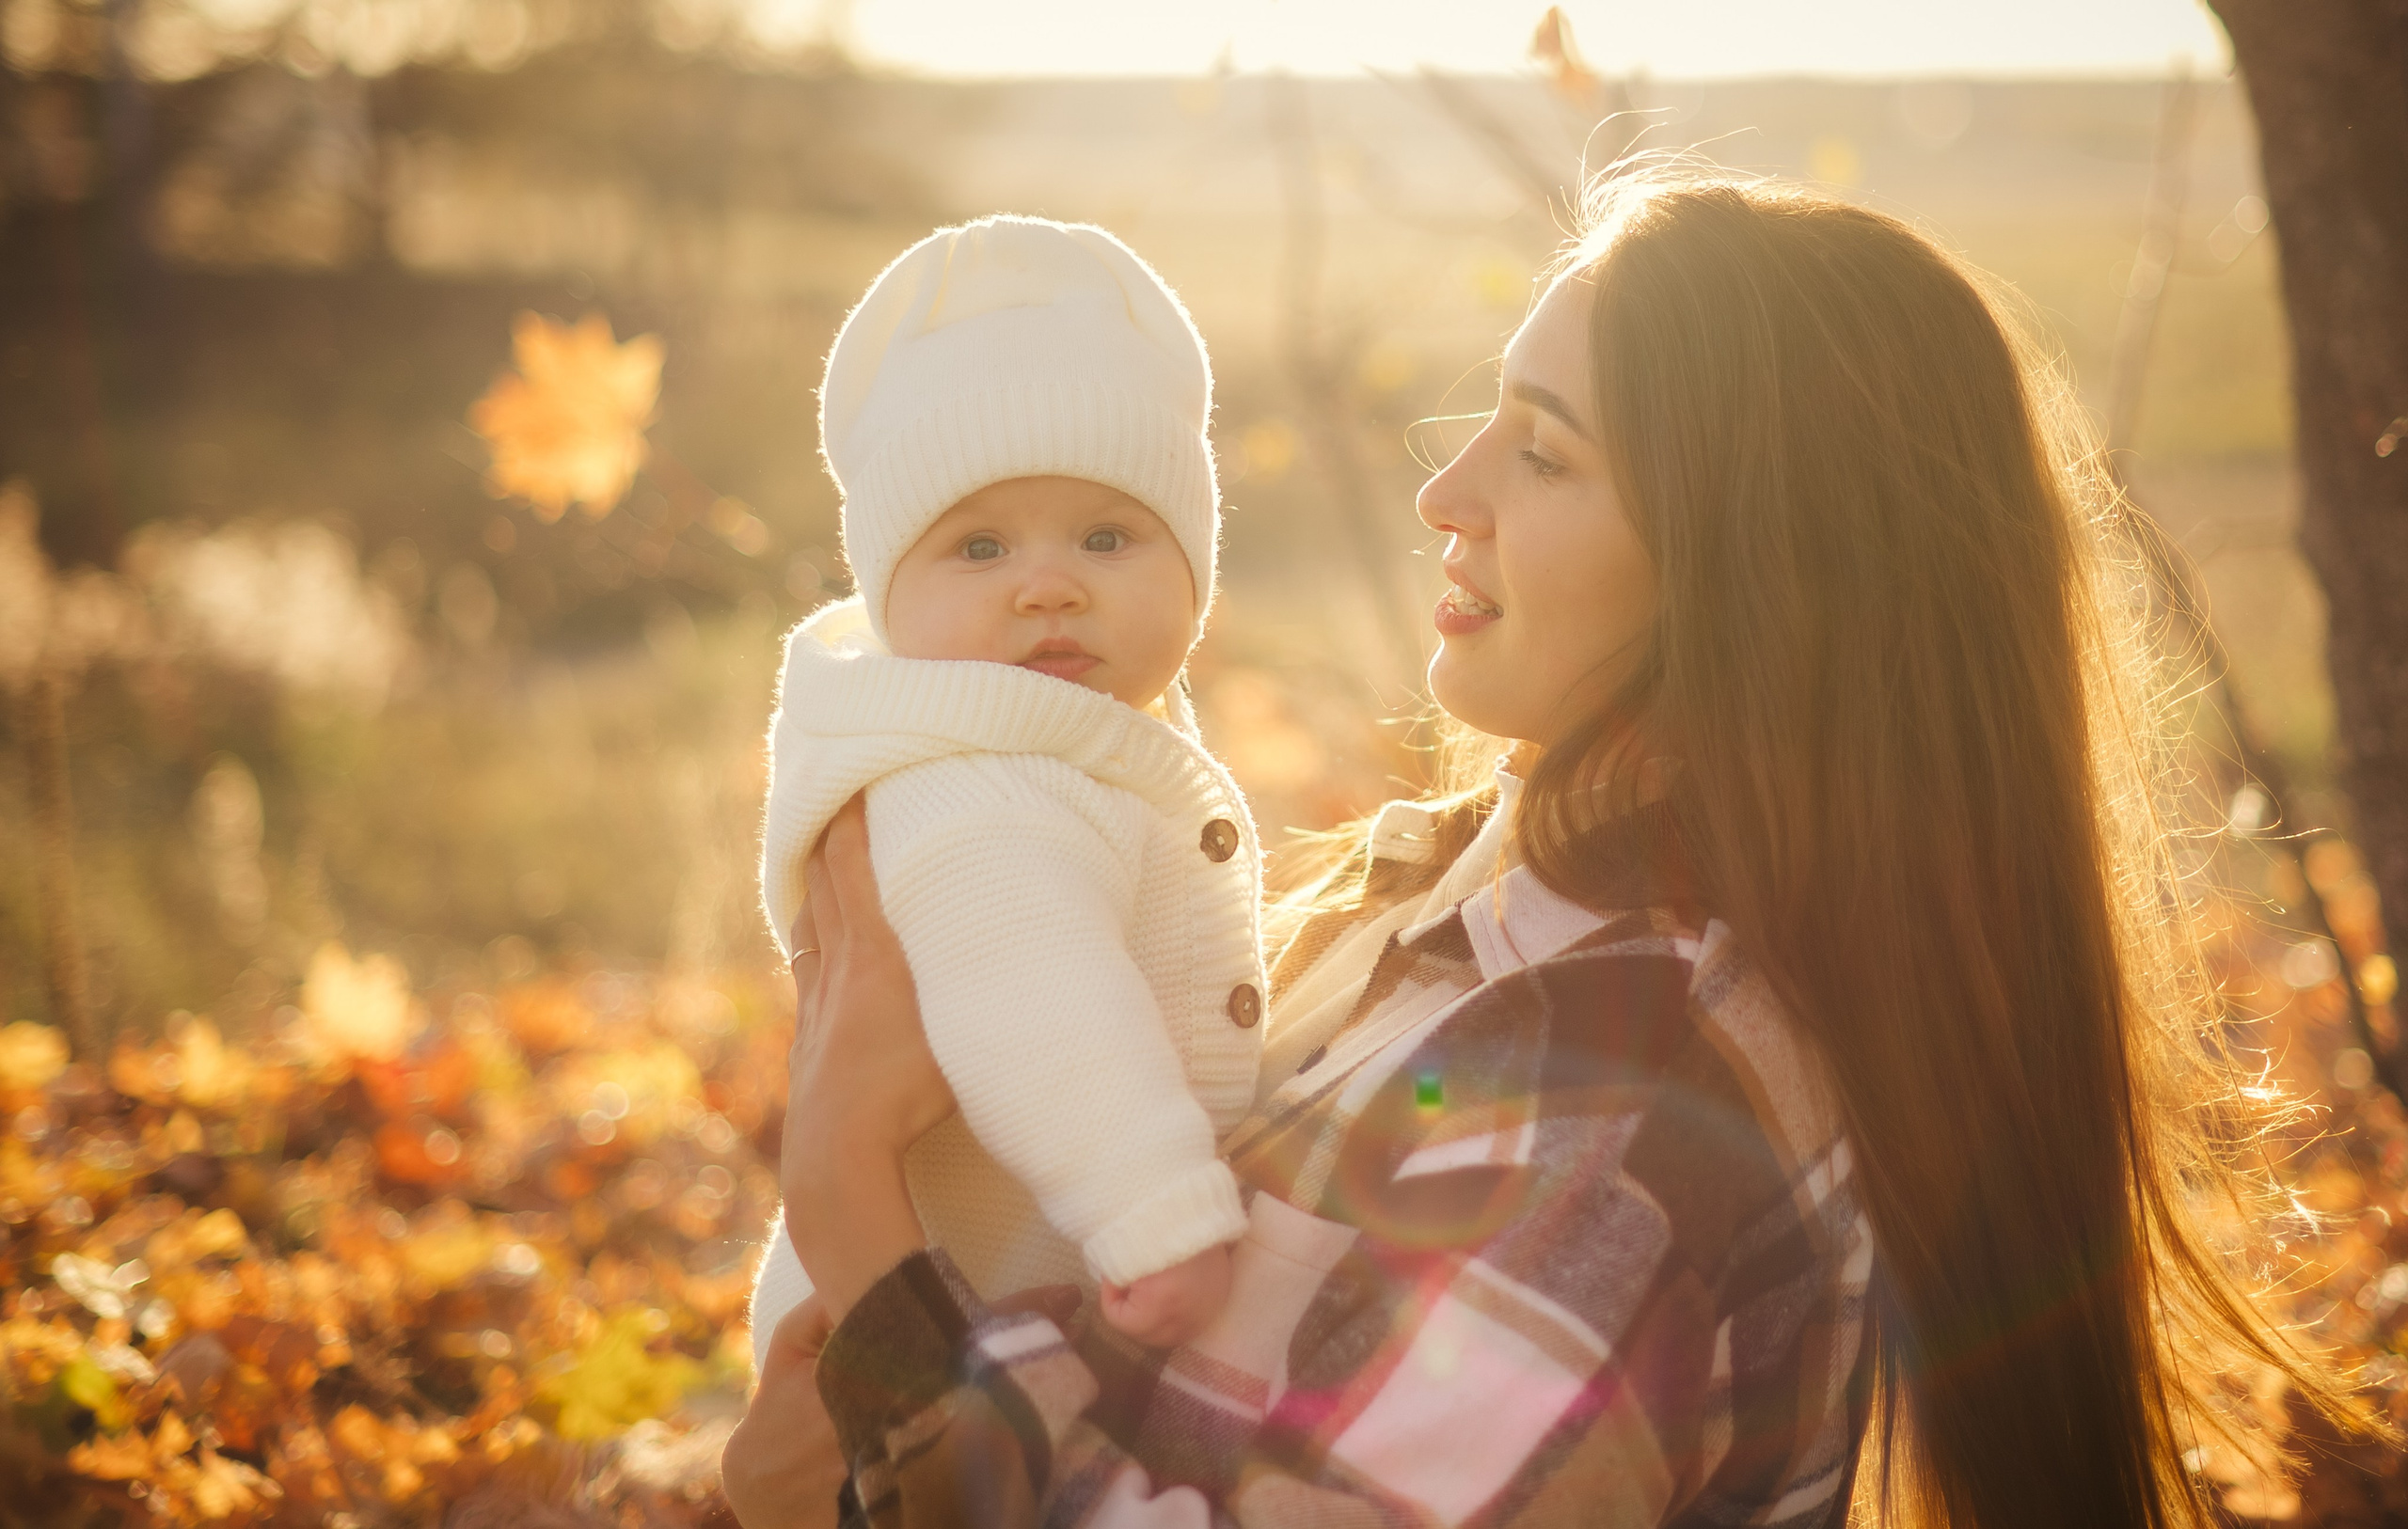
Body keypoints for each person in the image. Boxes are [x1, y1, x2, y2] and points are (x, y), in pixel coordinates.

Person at [724, 168, 2351, 1528]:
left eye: (1545, 452)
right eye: (1485, 421)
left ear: (1759, 576)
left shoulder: (1632, 1131)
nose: (1447, 491)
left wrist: (847, 1199)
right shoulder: (1448, 894)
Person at [747, 214, 1264, 1360]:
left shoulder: (1061, 744)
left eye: (1106, 536)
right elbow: (1043, 1001)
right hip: (938, 1322)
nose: (1047, 587)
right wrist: (1157, 1213)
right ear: (888, 592)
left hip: (1014, 1302)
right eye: (978, 550)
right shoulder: (974, 786)